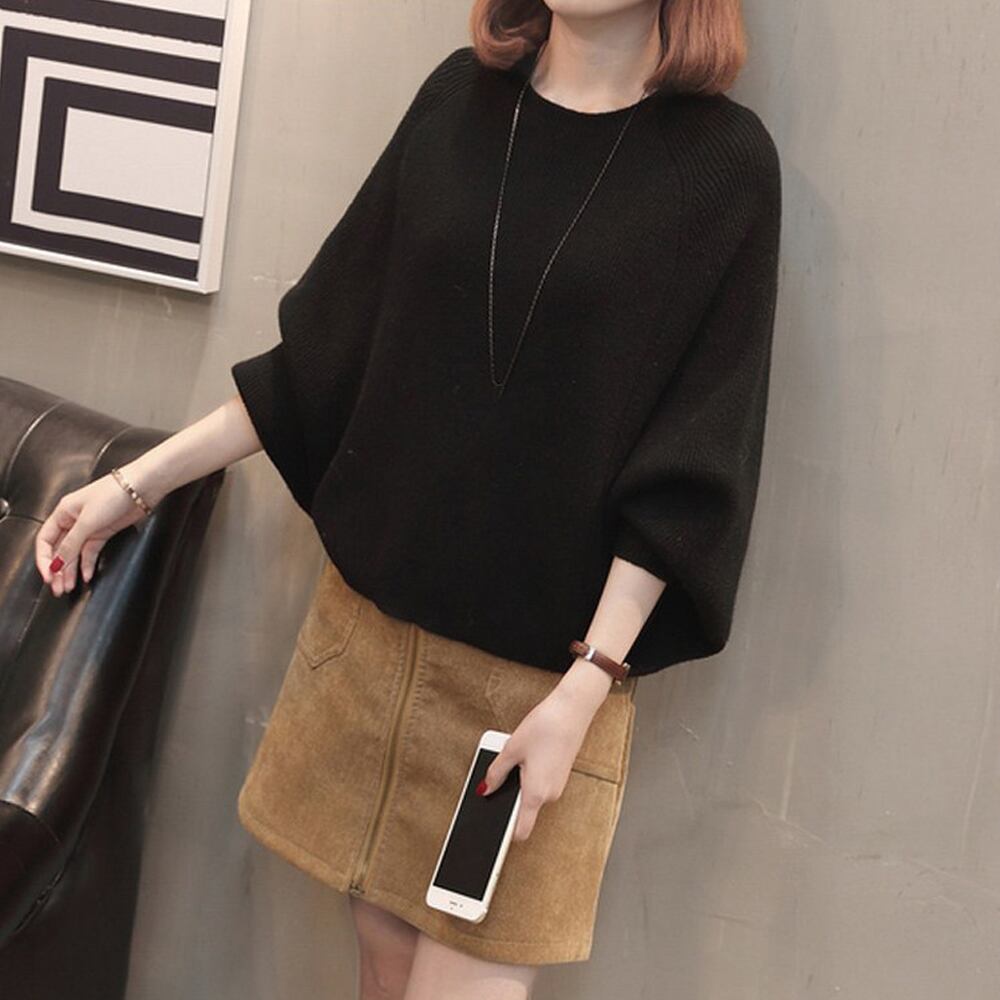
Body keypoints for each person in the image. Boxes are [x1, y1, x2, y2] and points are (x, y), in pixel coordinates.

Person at [34, 1, 781, 997]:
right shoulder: (458, 100)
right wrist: (135, 485)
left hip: (539, 697)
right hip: (373, 657)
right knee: (381, 980)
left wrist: (587, 685)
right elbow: (322, 363)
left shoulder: (724, 167)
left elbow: (695, 459)